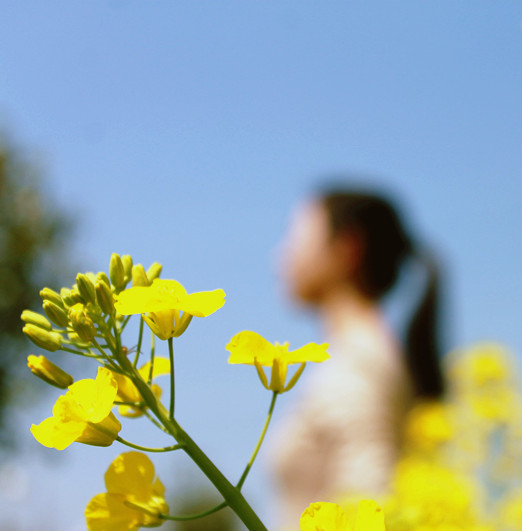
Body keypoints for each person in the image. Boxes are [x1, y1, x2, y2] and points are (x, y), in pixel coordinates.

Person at [267, 187, 445, 528]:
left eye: (295, 238)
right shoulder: (367, 352)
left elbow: (370, 497)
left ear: (347, 247)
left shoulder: (359, 362)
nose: (280, 254)